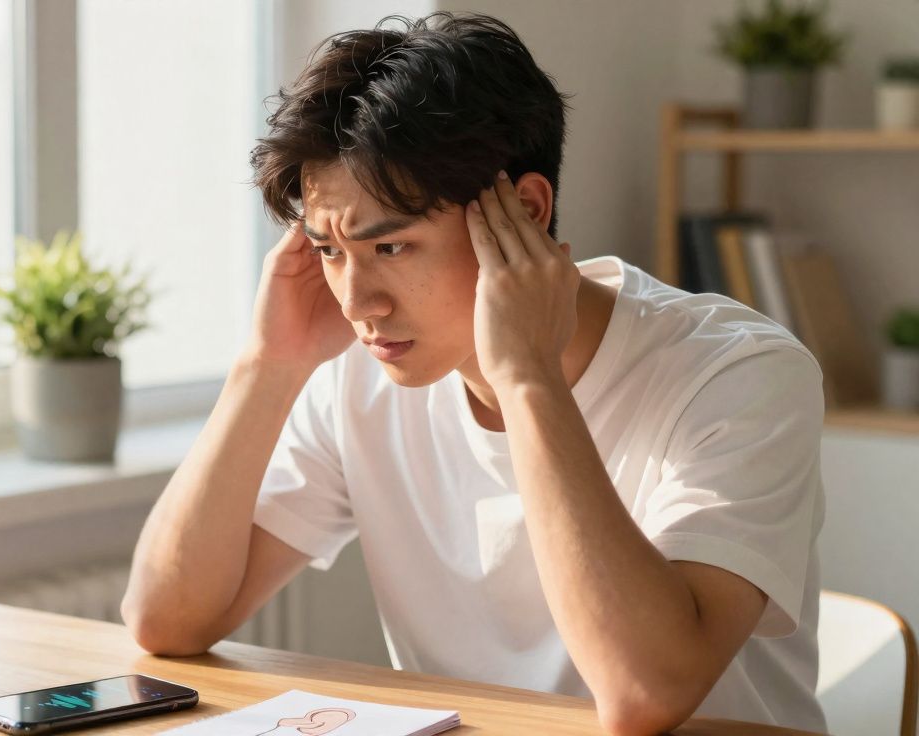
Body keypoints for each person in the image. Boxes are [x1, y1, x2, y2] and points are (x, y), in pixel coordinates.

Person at [121, 12, 826, 736]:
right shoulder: (360, 375)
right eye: (329, 251)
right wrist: (264, 366)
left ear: (523, 211)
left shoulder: (739, 373)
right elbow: (165, 620)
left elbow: (645, 696)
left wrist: (528, 380)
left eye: (389, 247)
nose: (358, 302)